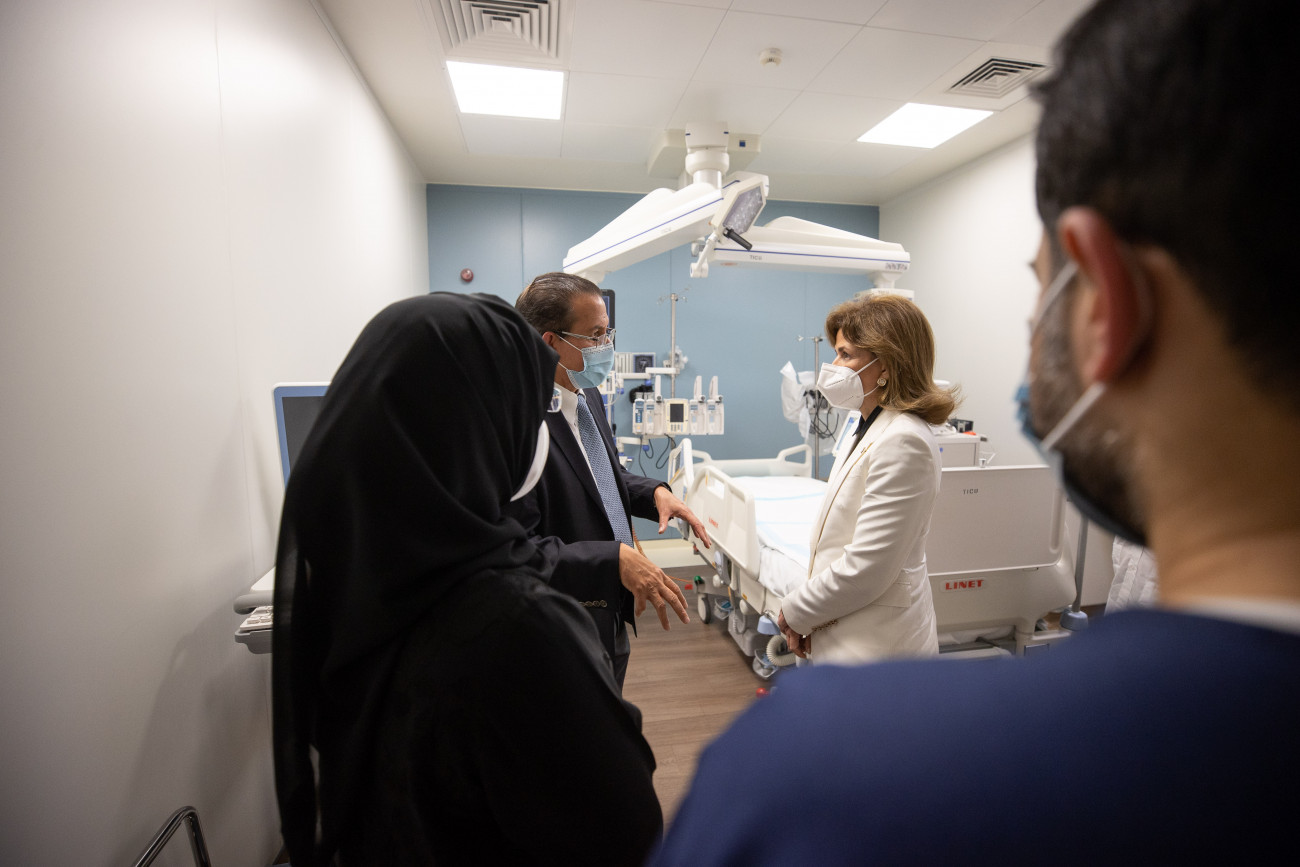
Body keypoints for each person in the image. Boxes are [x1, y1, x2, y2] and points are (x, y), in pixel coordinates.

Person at [652, 0, 1300, 862]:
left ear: (1107, 302)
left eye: (1041, 285)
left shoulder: (806, 777)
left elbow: (867, 562)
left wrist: (796, 614)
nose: (1031, 325)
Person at [272, 293, 662, 865]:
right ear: (483, 423)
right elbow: (624, 829)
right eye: (520, 404)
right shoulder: (518, 627)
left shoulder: (346, 590)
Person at [508, 272, 710, 689]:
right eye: (596, 335)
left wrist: (654, 493)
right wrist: (612, 559)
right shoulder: (518, 425)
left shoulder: (587, 397)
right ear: (550, 343)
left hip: (608, 610)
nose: (607, 347)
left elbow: (603, 475)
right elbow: (517, 550)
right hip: (556, 623)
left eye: (608, 333)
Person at [777, 294, 958, 665]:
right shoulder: (865, 425)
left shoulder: (904, 440)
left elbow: (868, 566)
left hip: (879, 645)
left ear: (887, 364)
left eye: (845, 355)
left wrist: (796, 612)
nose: (833, 367)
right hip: (847, 626)